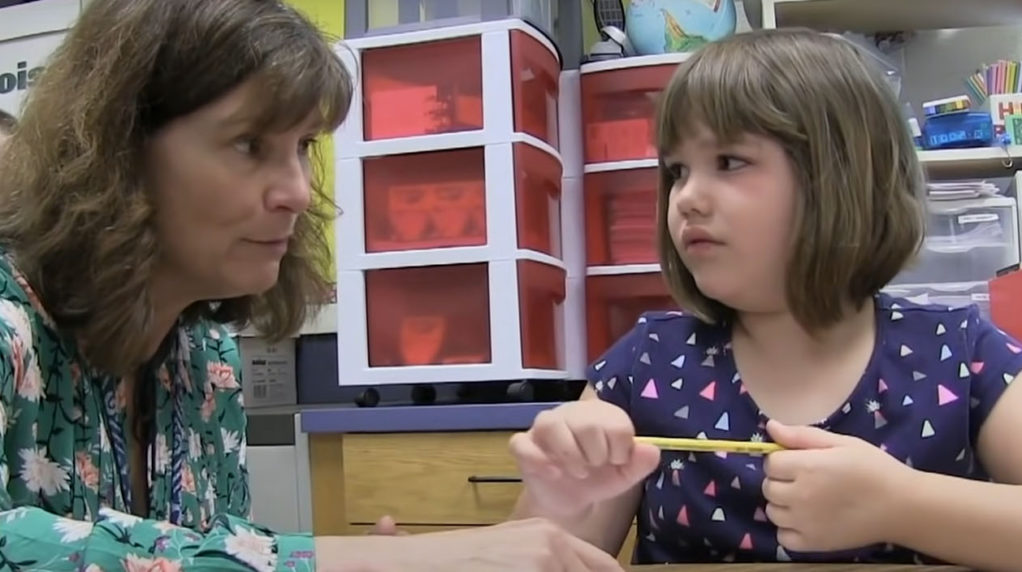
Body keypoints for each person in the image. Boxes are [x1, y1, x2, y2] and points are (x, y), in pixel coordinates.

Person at [0, 1, 624, 571]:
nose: (299, 190)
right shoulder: (11, 329)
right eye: (249, 144)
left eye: (301, 146)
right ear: (121, 150)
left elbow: (213, 547)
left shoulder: (205, 362)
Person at [508, 28, 1022, 571]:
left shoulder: (961, 352)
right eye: (676, 170)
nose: (686, 198)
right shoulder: (645, 364)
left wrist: (904, 507)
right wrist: (560, 497)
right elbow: (539, 555)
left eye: (728, 162)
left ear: (842, 177)